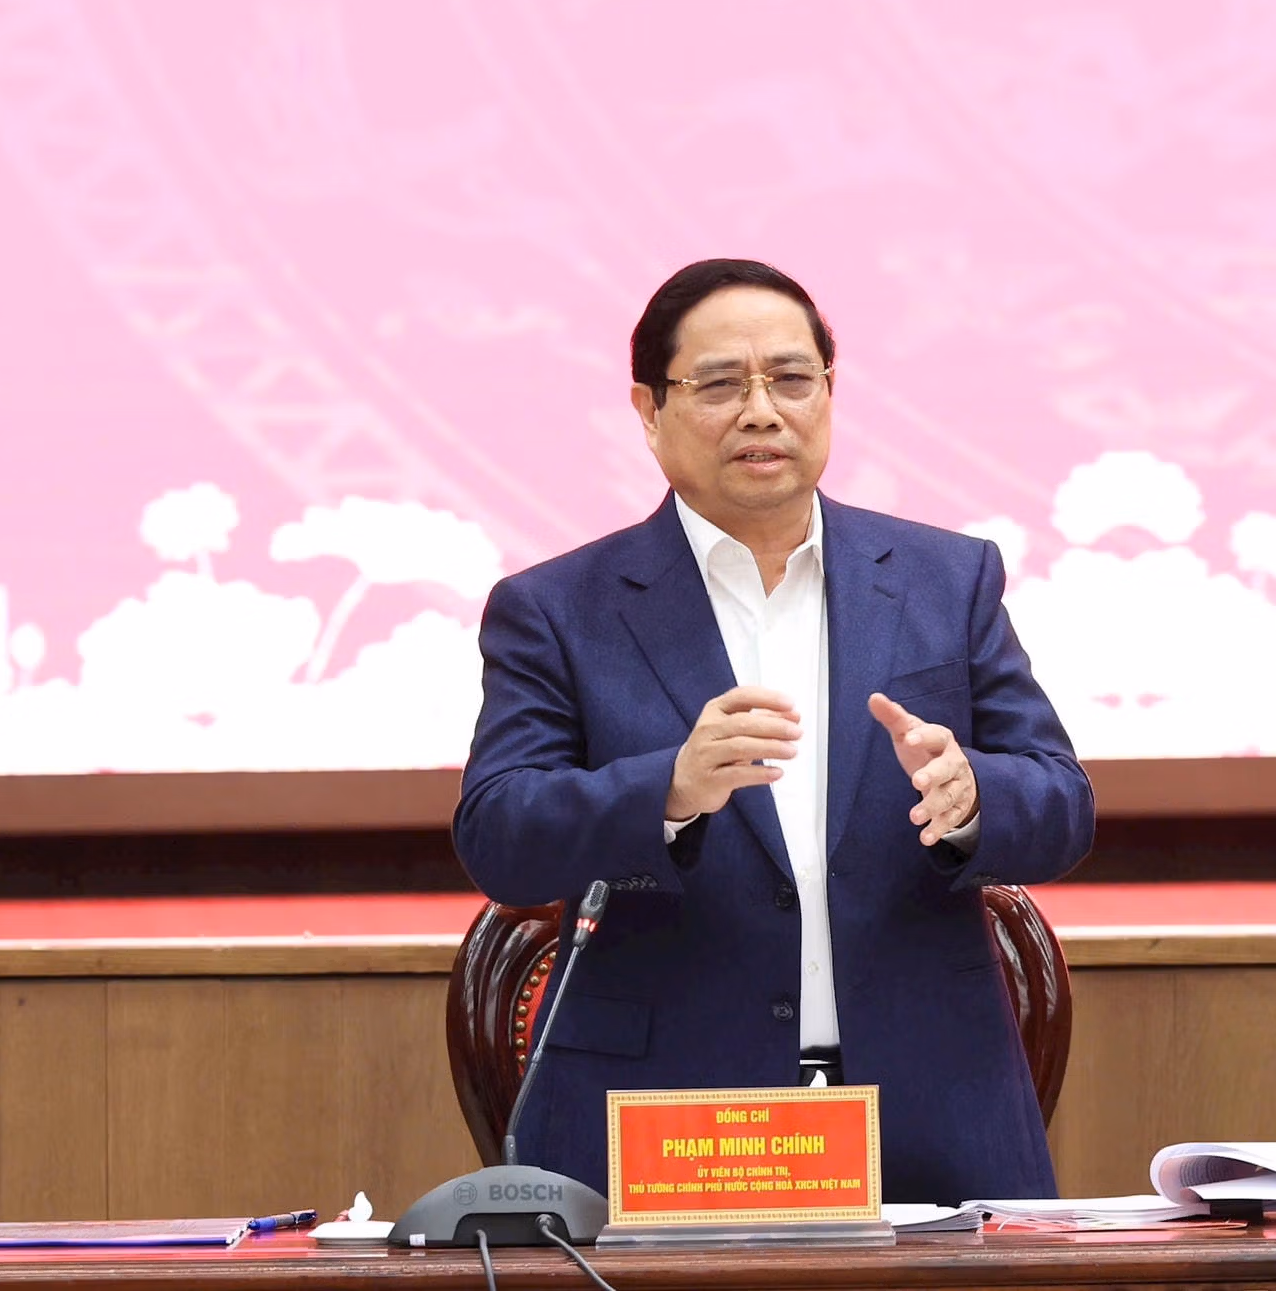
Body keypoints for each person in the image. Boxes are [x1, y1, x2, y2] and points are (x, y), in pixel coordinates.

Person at [453, 258, 1094, 1203]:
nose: (762, 411)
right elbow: (499, 835)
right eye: (720, 384)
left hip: (929, 1114)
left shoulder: (945, 580)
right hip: (668, 1122)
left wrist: (973, 798)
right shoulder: (557, 608)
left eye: (792, 379)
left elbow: (1063, 803)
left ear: (828, 392)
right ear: (648, 409)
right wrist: (668, 790)